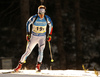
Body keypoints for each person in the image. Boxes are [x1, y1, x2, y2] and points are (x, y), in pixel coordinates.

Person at [14, 5, 53, 72]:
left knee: (41, 51)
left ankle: (38, 66)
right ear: (38, 13)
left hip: (42, 37)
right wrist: (28, 34)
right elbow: (28, 24)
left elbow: (51, 25)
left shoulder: (47, 18)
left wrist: (49, 35)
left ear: (44, 13)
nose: (41, 16)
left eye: (42, 14)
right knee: (28, 51)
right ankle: (19, 66)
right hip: (34, 37)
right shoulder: (34, 18)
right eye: (40, 14)